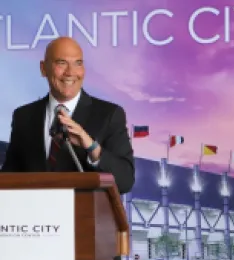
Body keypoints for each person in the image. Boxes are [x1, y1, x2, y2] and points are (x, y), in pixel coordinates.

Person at [1, 36, 134, 194]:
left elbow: (125, 181)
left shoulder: (110, 114)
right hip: (36, 217)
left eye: (78, 63)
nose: (70, 73)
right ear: (43, 68)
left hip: (84, 217)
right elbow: (9, 178)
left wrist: (91, 146)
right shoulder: (23, 116)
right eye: (61, 63)